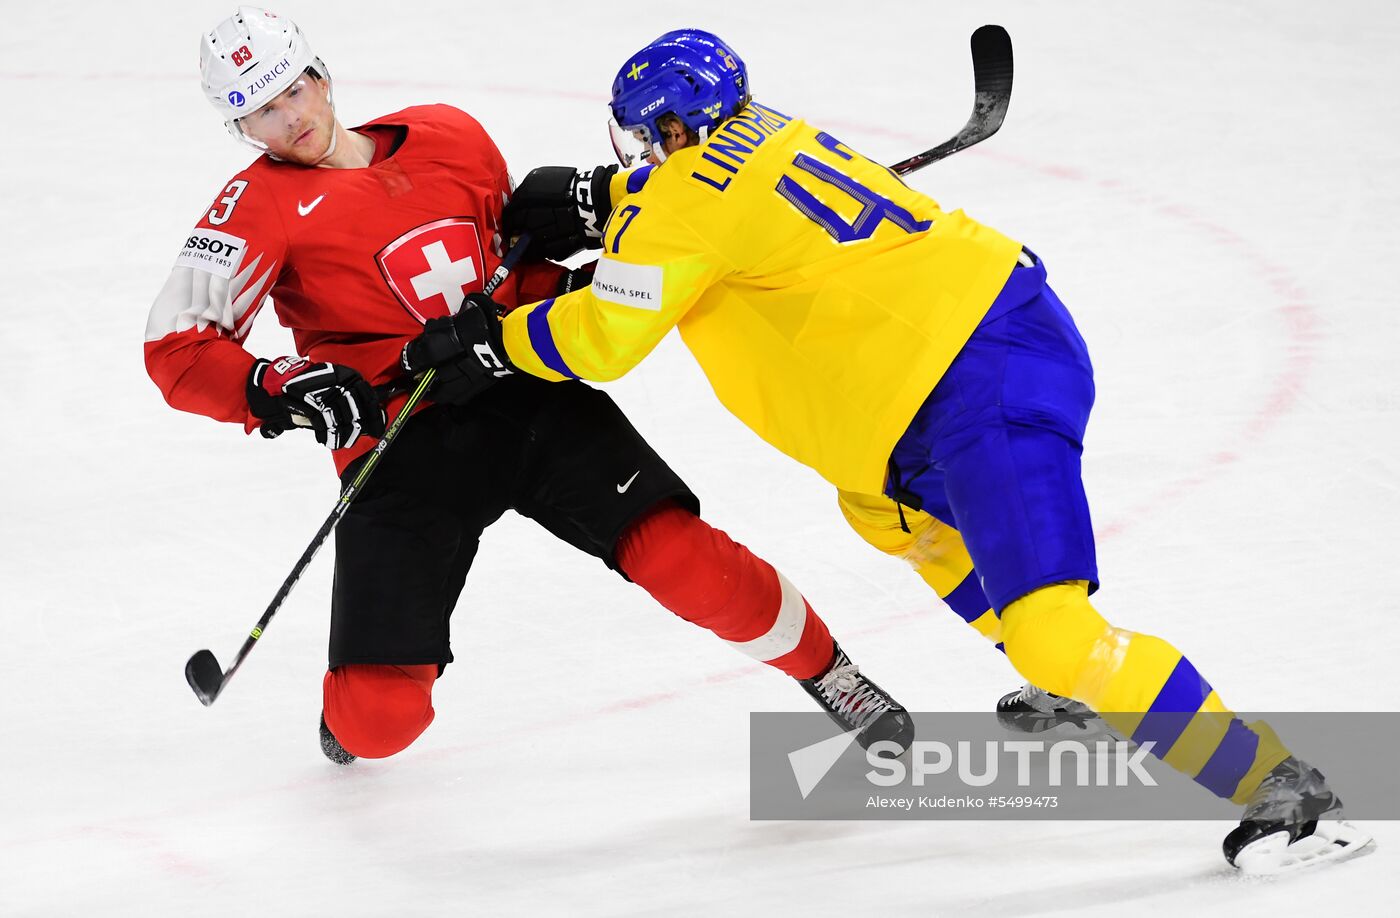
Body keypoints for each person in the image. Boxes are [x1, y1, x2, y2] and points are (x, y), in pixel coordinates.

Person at [428, 29, 1373, 872]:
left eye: (641, 143)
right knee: (880, 508)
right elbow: (710, 202)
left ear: (670, 132)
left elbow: (603, 336)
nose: (639, 156)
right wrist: (613, 199)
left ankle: (1285, 792)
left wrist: (488, 342)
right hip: (957, 368)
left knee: (1052, 626)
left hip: (977, 380)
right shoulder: (764, 132)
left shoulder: (682, 205)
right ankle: (1078, 678)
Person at [144, 8, 914, 766]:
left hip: (525, 389)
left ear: (320, 76)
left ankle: (832, 675)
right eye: (260, 115)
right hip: (403, 436)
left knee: (683, 557)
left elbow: (511, 258)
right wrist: (279, 385)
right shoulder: (252, 208)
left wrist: (585, 256)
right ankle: (347, 717)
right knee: (379, 722)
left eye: (292, 93)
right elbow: (176, 346)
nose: (288, 122)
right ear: (240, 129)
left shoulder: (450, 134)